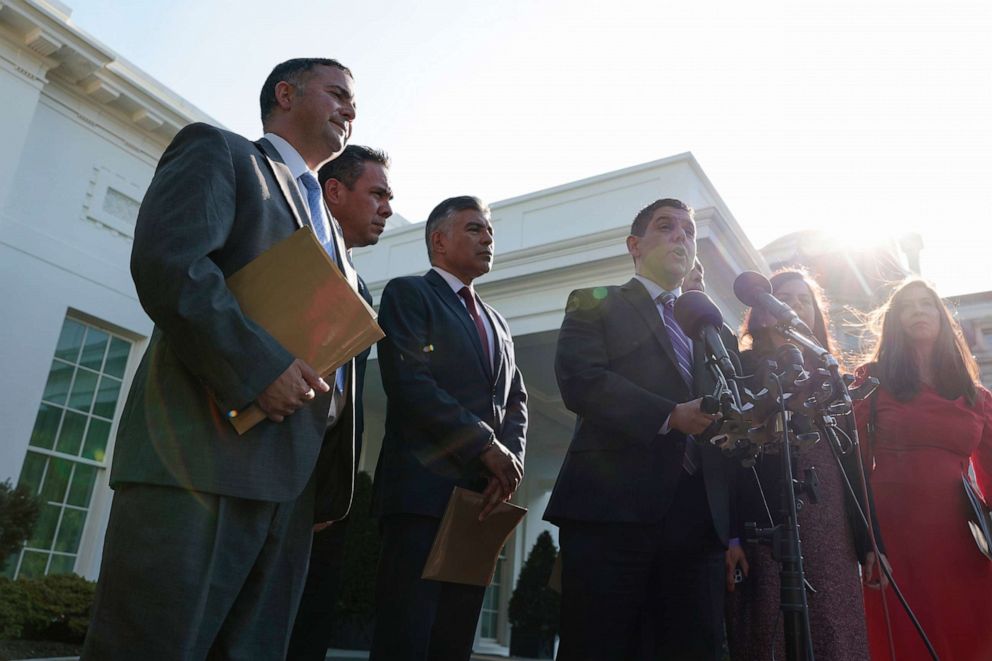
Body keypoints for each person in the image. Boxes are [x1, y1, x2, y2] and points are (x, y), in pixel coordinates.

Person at [82, 58, 361, 660]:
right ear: (285, 94)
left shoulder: (335, 231)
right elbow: (172, 266)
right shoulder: (222, 153)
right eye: (337, 92)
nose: (351, 108)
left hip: (290, 492)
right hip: (198, 466)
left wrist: (328, 488)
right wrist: (262, 369)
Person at [545, 198, 741, 660]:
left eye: (689, 232)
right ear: (635, 245)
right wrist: (670, 415)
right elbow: (582, 381)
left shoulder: (713, 331)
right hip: (611, 514)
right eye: (666, 227)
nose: (681, 237)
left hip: (696, 524)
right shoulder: (594, 304)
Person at [369, 196, 527, 661]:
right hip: (421, 498)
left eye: (490, 231)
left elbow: (515, 400)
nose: (488, 238)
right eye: (474, 229)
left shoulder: (498, 321)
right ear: (439, 240)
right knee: (407, 637)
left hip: (478, 505)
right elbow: (410, 383)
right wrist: (485, 445)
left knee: (453, 643)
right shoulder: (408, 294)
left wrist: (508, 461)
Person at [725, 268, 885, 660]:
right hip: (765, 516)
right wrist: (729, 536)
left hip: (829, 519)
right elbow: (725, 461)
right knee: (768, 627)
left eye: (803, 300)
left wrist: (871, 543)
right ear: (761, 312)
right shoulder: (739, 368)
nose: (794, 306)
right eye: (783, 297)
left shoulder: (829, 373)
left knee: (834, 624)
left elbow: (853, 467)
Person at [287, 145, 393, 661]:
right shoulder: (289, 250)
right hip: (268, 476)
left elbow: (343, 406)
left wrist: (331, 491)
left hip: (323, 500)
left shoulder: (363, 289)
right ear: (334, 191)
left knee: (307, 629)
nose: (388, 209)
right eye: (376, 193)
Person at [855, 279, 992, 661]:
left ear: (941, 317)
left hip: (962, 539)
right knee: (905, 641)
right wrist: (867, 541)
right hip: (894, 538)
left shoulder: (975, 396)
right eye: (907, 306)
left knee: (970, 637)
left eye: (927, 304)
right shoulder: (872, 381)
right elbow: (856, 467)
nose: (918, 311)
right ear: (894, 321)